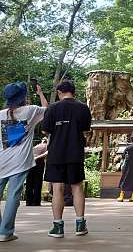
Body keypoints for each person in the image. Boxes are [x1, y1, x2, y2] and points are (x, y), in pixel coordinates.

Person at [42, 80, 91, 238]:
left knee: (58, 189)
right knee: (77, 187)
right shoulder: (83, 108)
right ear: (74, 92)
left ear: (59, 92)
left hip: (56, 153)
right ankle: (80, 225)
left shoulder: (52, 108)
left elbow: (45, 131)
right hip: (75, 152)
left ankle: (58, 227)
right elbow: (85, 129)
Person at [0, 82, 48, 242]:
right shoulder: (31, 110)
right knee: (13, 196)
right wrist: (40, 93)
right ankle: (5, 232)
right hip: (20, 162)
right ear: (23, 98)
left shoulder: (0, 115)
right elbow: (48, 109)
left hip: (1, 161)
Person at [117, 134, 133, 202]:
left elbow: (123, 156)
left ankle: (121, 196)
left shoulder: (128, 148)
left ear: (131, 139)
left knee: (125, 180)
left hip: (128, 166)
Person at [25, 137, 48, 206]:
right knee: (31, 182)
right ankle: (31, 201)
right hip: (33, 161)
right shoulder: (38, 145)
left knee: (35, 182)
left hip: (36, 161)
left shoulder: (46, 145)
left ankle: (34, 201)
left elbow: (47, 152)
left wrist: (37, 157)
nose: (43, 139)